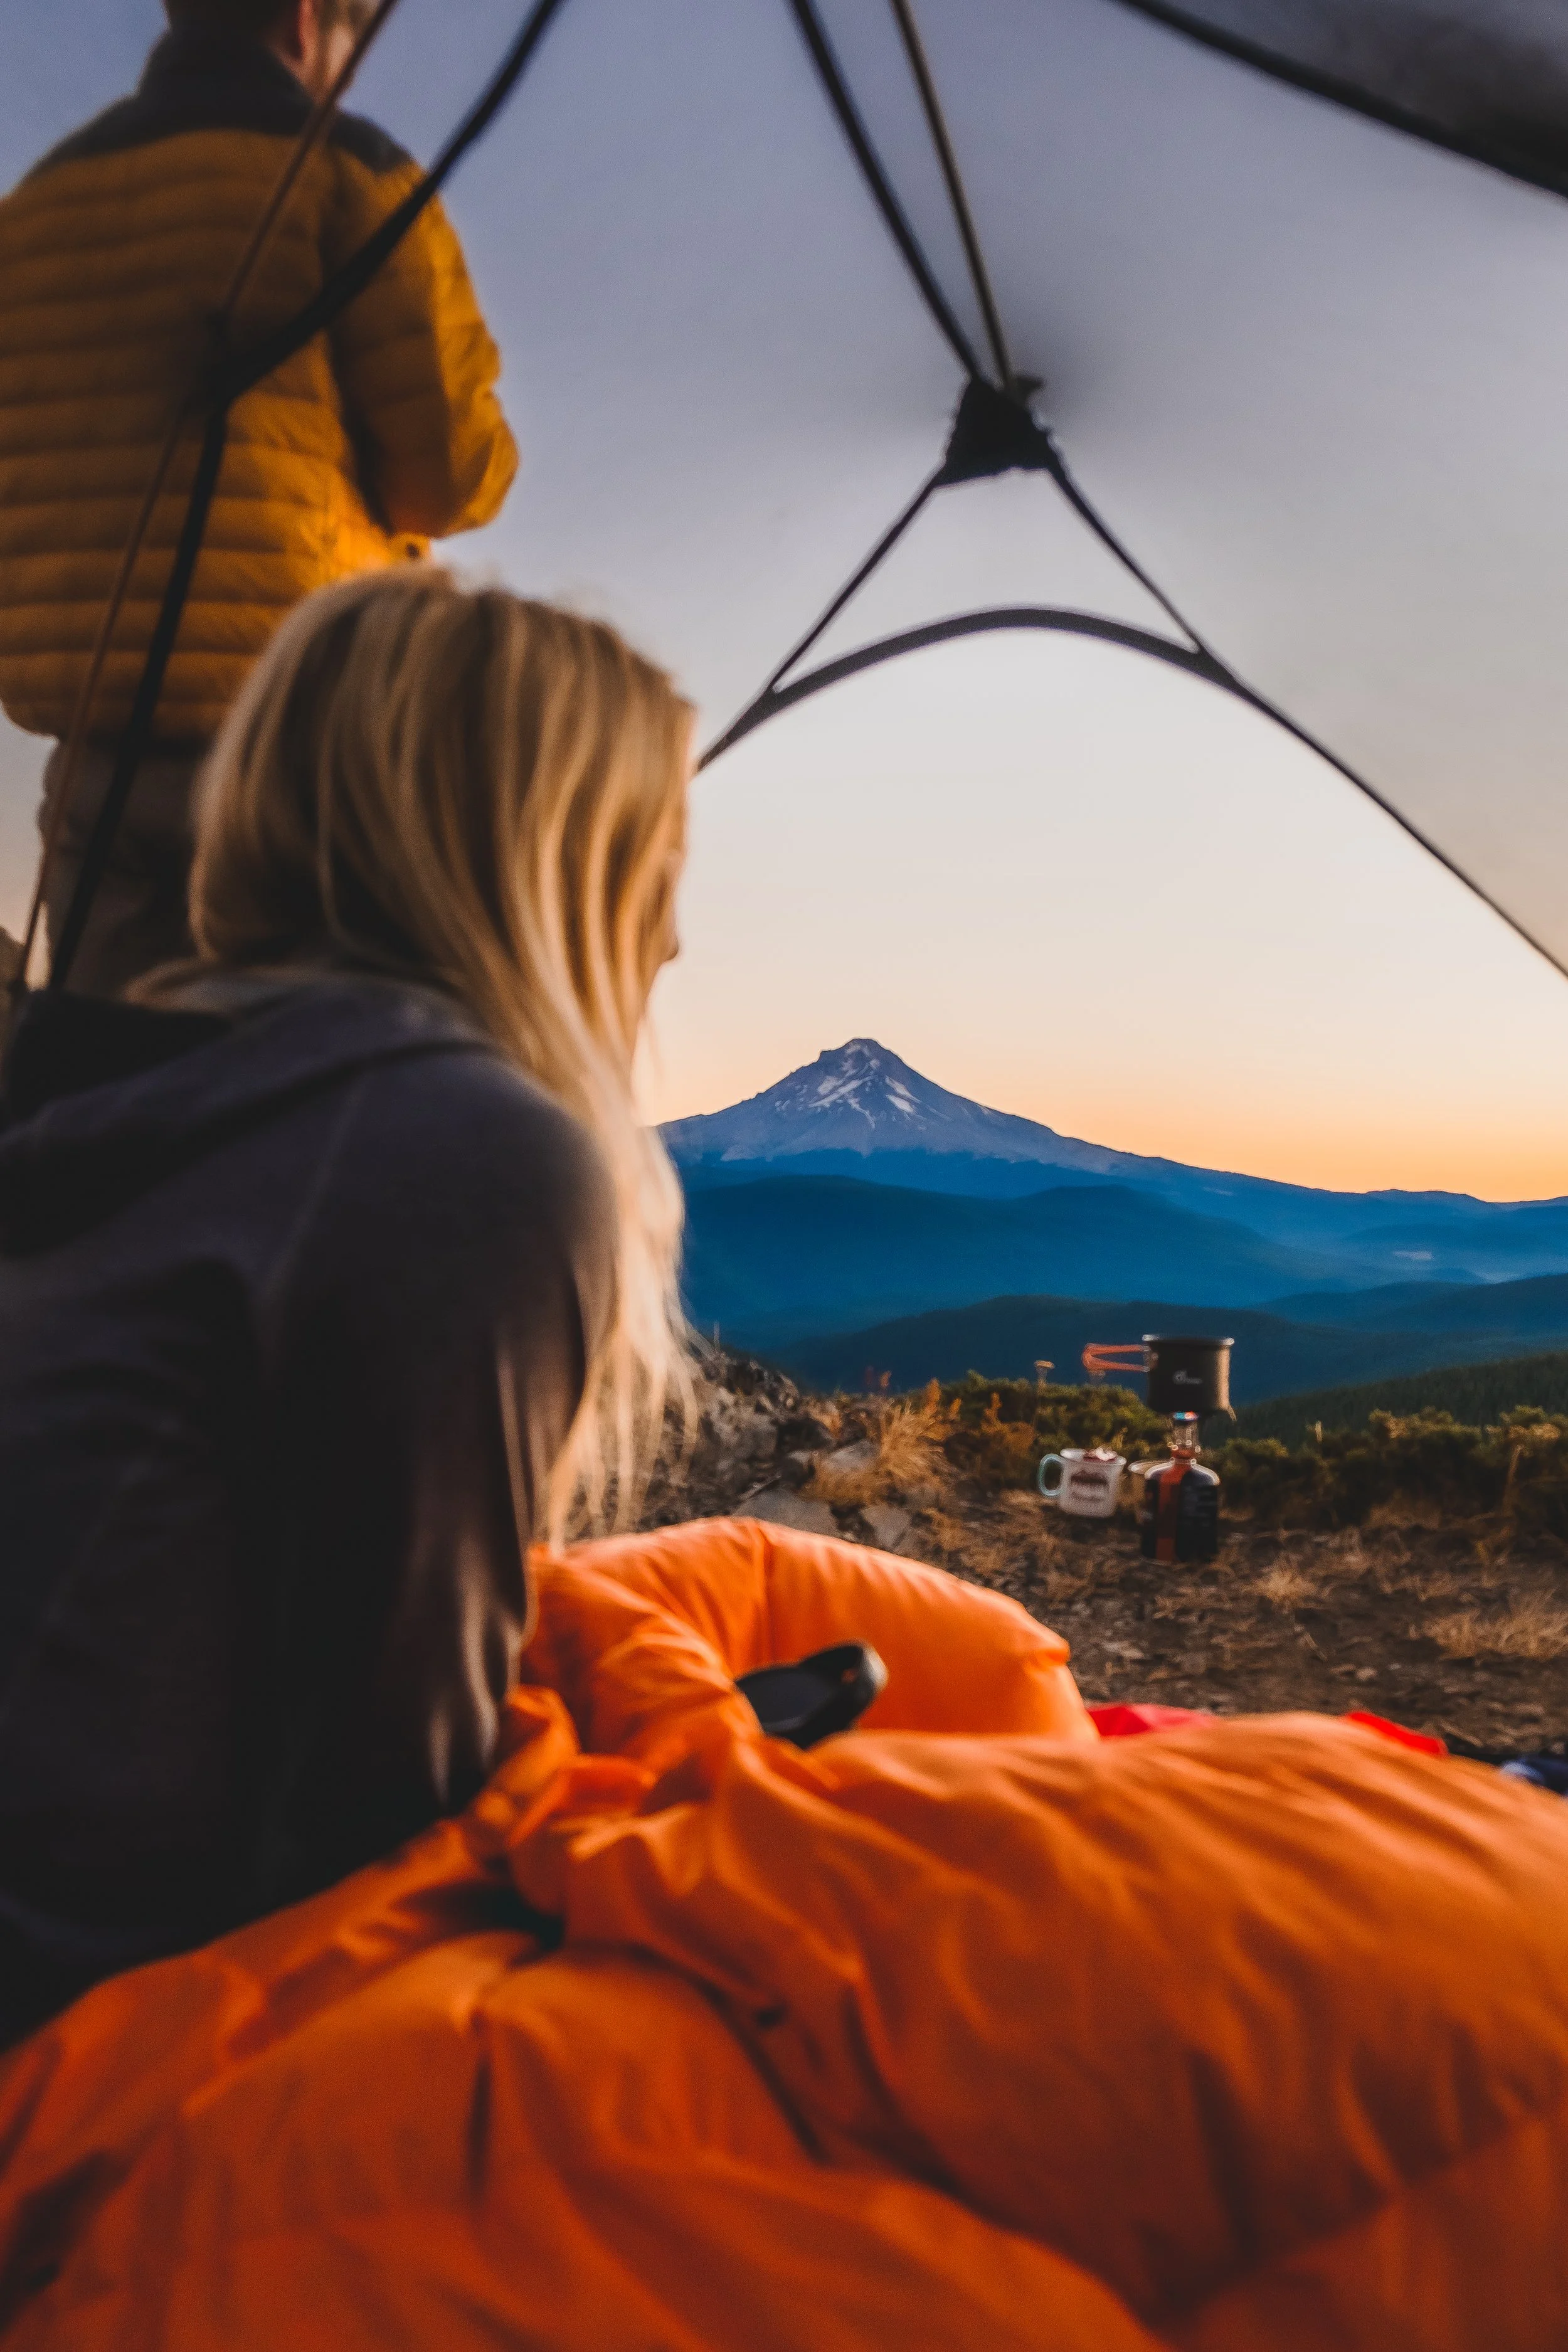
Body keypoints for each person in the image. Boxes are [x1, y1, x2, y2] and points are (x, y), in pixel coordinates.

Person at [0, 568, 692, 2047]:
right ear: (544, 859)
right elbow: (377, 1822)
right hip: (91, 2043)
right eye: (651, 859)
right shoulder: (450, 1148)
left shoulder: (121, 1093)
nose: (675, 939)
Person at [0, 0, 519, 997]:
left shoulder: (35, 206)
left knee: (117, 1087)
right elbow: (449, 474)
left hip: (95, 761)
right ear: (307, 19)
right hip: (294, 747)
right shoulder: (348, 173)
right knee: (307, 1092)